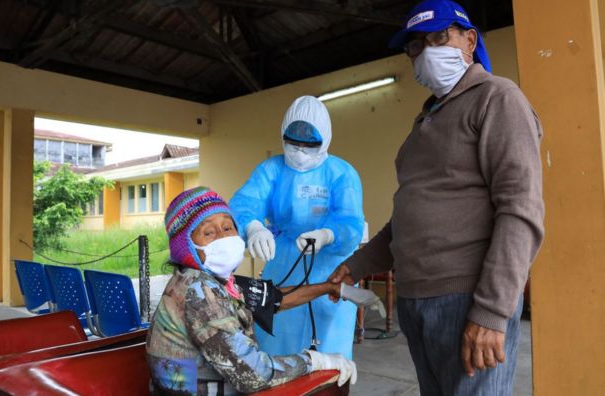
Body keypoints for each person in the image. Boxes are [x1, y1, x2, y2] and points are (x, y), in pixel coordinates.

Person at [329, 1, 544, 395]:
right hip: (416, 299)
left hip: (466, 298)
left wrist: (492, 311)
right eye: (416, 45)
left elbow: (520, 209)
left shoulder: (497, 98)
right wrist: (356, 264)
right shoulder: (427, 119)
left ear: (470, 39)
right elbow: (407, 217)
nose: (427, 51)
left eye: (439, 37)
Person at [146, 187, 357, 395]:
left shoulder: (214, 282)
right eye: (208, 232)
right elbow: (254, 374)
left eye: (228, 228)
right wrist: (315, 361)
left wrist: (330, 288)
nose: (222, 237)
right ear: (186, 247)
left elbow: (274, 298)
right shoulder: (199, 294)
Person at [229, 95, 365, 359]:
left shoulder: (342, 173)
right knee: (277, 344)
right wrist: (253, 227)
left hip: (332, 270)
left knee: (328, 355)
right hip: (283, 265)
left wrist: (328, 235)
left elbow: (351, 223)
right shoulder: (271, 170)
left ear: (325, 139)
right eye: (294, 143)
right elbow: (244, 203)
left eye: (310, 145)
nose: (301, 151)